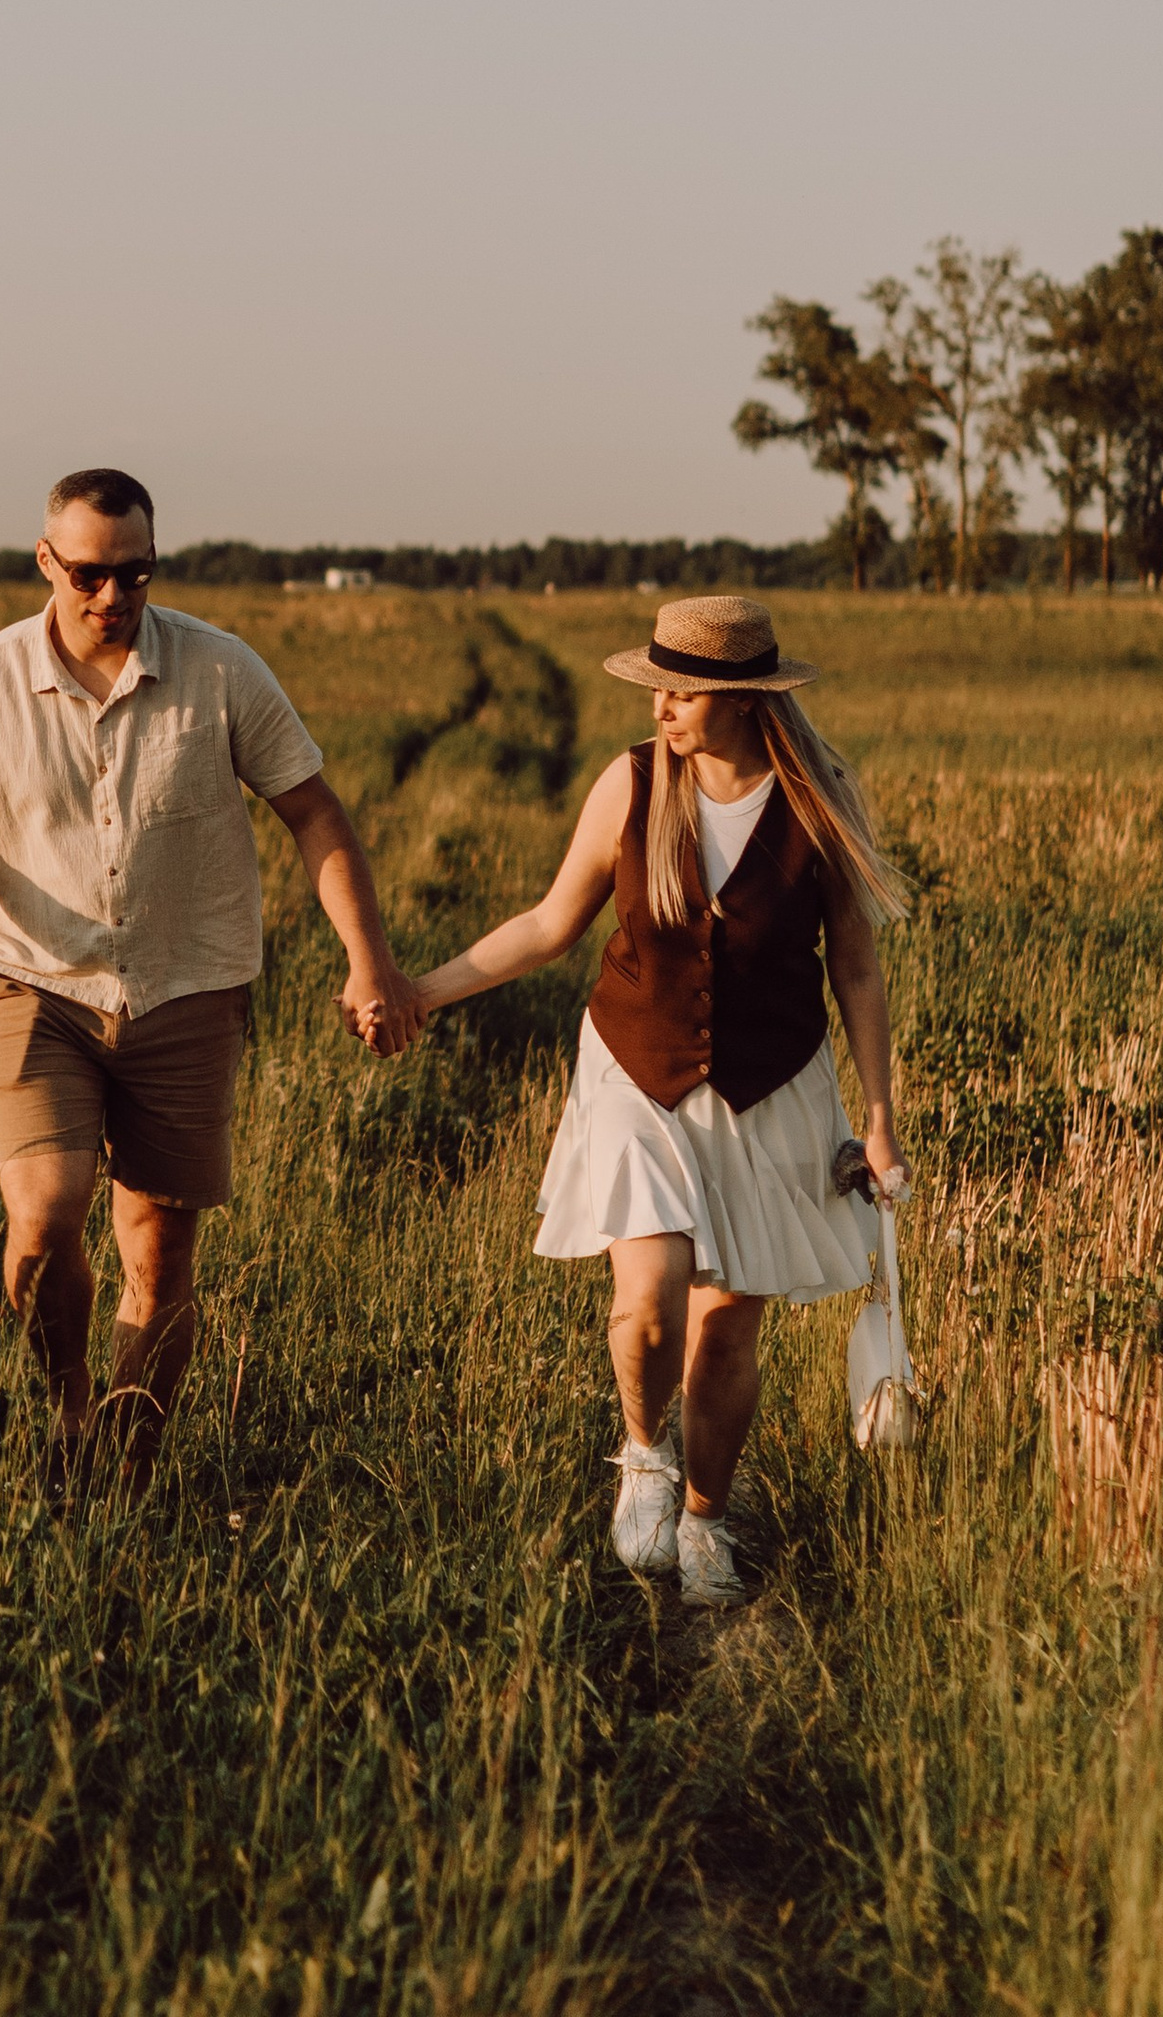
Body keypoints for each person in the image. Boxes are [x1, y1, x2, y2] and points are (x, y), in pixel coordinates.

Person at [0, 467, 425, 1479]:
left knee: (157, 1252)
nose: (114, 598)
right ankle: (65, 1421)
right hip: (33, 985)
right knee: (44, 1216)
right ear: (46, 563)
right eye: (91, 575)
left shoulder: (223, 671)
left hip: (188, 989)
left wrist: (369, 962)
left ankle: (125, 1465)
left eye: (137, 575)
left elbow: (315, 815)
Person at [399, 593, 908, 1605]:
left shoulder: (818, 800)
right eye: (659, 687)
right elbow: (550, 925)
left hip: (772, 1086)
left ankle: (707, 1521)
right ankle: (642, 1456)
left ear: (743, 700)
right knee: (646, 1304)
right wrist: (421, 992)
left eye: (680, 692)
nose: (661, 708)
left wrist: (882, 1118)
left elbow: (854, 970)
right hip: (635, 1069)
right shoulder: (632, 783)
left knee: (725, 1331)